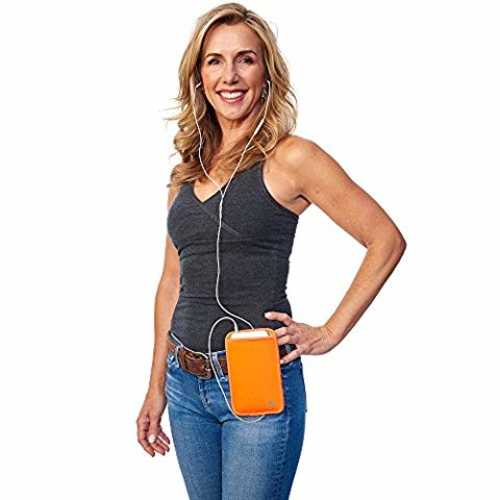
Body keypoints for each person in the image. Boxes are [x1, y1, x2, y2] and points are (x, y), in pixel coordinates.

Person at [136, 3, 406, 499]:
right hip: (185, 384)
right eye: (215, 61)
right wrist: (155, 387)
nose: (230, 76)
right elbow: (172, 282)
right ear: (199, 77)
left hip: (258, 380)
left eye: (246, 59)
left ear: (266, 72)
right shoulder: (185, 173)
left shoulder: (292, 158)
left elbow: (385, 239)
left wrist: (329, 332)